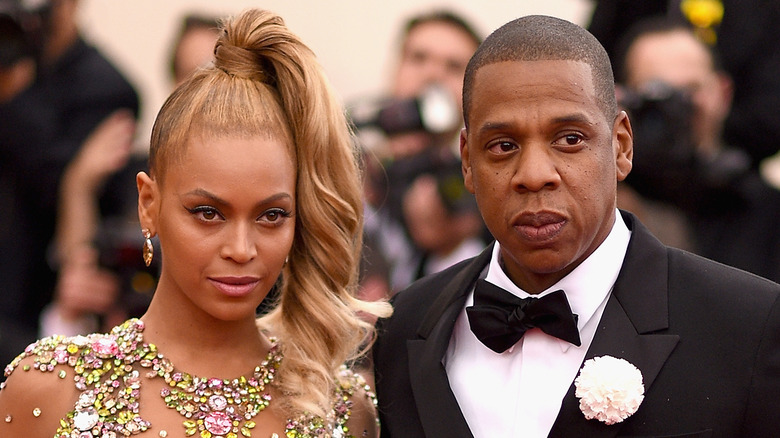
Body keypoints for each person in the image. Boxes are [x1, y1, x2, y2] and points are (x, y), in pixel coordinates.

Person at [373, 14, 780, 437]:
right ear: (467, 161)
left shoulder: (750, 327)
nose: (533, 174)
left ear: (621, 146)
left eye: (569, 139)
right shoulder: (402, 327)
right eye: (503, 145)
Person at [0, 8, 390, 438]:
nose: (241, 249)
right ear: (148, 204)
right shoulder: (48, 388)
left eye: (271, 216)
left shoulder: (339, 407)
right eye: (208, 213)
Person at [0, 0, 139, 366]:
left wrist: (14, 91)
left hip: (43, 308)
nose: (31, 20)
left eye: (42, 8)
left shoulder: (106, 88)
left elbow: (56, 183)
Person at [614, 17, 780, 283]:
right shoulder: (605, 213)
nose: (677, 108)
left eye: (691, 90)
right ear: (624, 101)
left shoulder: (769, 218)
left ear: (723, 94)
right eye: (658, 93)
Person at [358, 9, 486, 294]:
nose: (433, 74)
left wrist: (452, 246)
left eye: (453, 66)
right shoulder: (336, 163)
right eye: (418, 58)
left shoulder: (478, 198)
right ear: (395, 69)